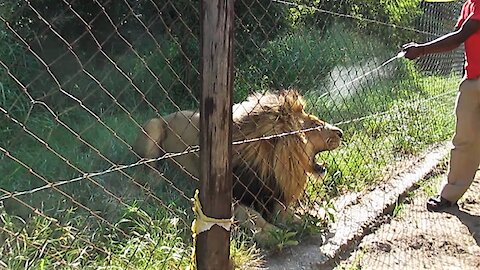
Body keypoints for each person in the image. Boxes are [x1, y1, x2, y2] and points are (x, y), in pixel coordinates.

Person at [402, 0, 480, 212]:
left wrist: (422, 50)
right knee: (465, 139)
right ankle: (450, 194)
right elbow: (456, 39)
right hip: (473, 79)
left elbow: (463, 34)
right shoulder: (468, 5)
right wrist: (422, 49)